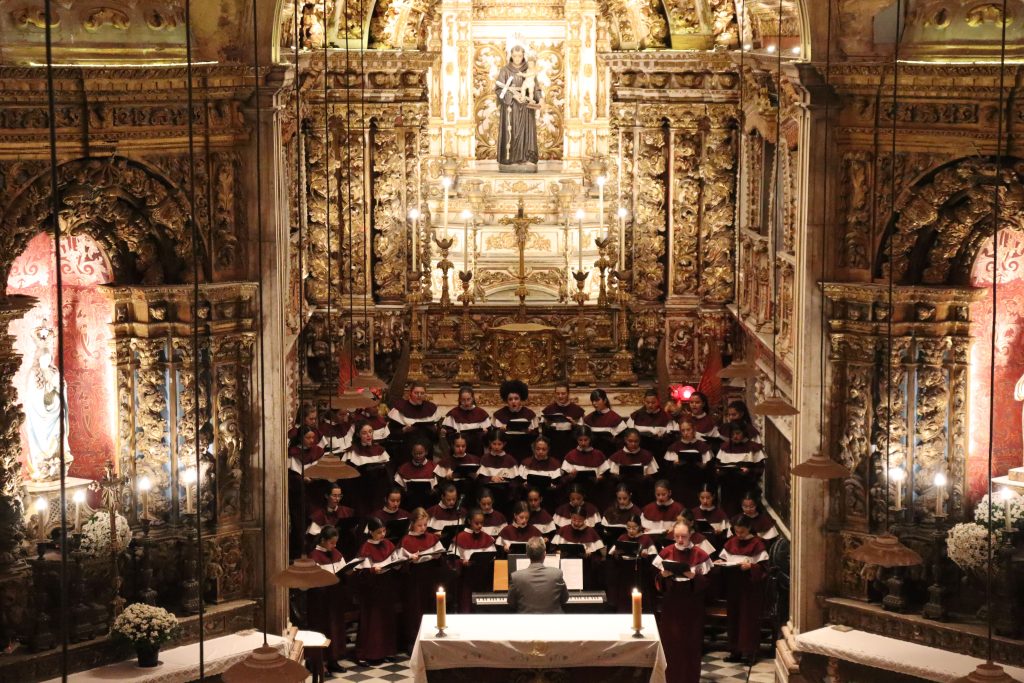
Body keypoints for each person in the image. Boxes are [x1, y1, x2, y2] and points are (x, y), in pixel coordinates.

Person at [652, 521, 713, 683]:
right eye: (676, 536)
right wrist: (663, 576)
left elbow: (708, 583)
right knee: (671, 643)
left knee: (690, 643)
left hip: (691, 604)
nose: (679, 540)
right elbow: (658, 581)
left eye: (683, 536)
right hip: (671, 603)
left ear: (690, 535)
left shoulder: (699, 554)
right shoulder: (666, 552)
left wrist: (693, 577)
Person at [718, 516, 770, 665]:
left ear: (748, 528)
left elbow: (765, 568)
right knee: (734, 617)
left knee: (749, 619)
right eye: (736, 531)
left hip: (750, 588)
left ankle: (749, 652)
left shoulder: (757, 544)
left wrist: (752, 567)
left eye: (741, 531)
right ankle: (735, 651)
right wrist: (721, 562)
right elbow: (725, 559)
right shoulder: (731, 542)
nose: (738, 535)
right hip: (734, 586)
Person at [396, 508, 445, 650]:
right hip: (414, 580)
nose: (423, 528)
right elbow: (399, 563)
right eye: (420, 525)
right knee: (414, 610)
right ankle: (413, 641)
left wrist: (437, 557)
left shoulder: (431, 537)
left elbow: (440, 554)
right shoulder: (406, 540)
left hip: (430, 578)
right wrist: (410, 560)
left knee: (430, 607)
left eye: (425, 524)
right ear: (412, 524)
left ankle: (431, 638)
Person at [355, 517, 399, 666]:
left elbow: (395, 560)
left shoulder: (388, 544)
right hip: (372, 590)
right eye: (379, 532)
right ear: (371, 532)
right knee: (372, 621)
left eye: (384, 531)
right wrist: (373, 570)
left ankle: (386, 651)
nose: (383, 535)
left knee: (386, 619)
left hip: (386, 586)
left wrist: (398, 564)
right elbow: (361, 572)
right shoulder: (365, 548)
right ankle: (368, 653)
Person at [309, 526, 349, 673]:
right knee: (323, 629)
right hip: (321, 601)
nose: (335, 546)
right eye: (332, 543)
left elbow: (343, 569)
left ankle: (334, 659)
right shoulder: (314, 556)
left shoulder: (336, 553)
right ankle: (321, 662)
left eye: (336, 542)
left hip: (335, 598)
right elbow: (314, 579)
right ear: (323, 540)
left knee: (335, 628)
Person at [495, 44, 541, 172]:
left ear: (523, 56)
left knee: (525, 132)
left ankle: (526, 158)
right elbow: (499, 89)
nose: (517, 58)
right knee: (512, 132)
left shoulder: (529, 69)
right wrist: (514, 97)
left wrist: (539, 99)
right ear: (511, 55)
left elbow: (535, 87)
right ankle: (509, 160)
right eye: (514, 56)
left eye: (520, 56)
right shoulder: (505, 70)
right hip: (510, 107)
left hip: (526, 107)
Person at [606, 514, 657, 613]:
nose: (631, 530)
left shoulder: (646, 539)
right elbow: (611, 555)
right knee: (624, 600)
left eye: (634, 528)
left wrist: (645, 556)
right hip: (624, 573)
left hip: (640, 574)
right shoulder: (622, 537)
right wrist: (617, 554)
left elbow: (653, 559)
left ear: (639, 527)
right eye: (628, 527)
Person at [288, 426, 324, 558]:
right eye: (308, 438)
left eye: (313, 437)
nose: (311, 440)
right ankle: (297, 553)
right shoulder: (293, 452)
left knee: (314, 520)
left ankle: (313, 551)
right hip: (300, 495)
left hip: (315, 492)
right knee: (300, 524)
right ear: (300, 438)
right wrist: (302, 479)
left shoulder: (318, 451)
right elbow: (291, 474)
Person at [451, 509, 497, 612]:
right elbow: (453, 558)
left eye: (481, 523)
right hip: (466, 578)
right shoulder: (460, 537)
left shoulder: (487, 538)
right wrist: (462, 562)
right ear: (469, 521)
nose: (480, 526)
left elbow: (493, 556)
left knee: (482, 608)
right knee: (466, 606)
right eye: (476, 523)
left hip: (483, 578)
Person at [508, 537, 570, 613]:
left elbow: (511, 602)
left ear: (527, 554)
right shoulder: (557, 573)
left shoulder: (516, 576)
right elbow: (565, 599)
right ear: (545, 554)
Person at [717, 422, 766, 516]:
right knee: (730, 513)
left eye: (738, 433)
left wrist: (749, 471)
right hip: (729, 489)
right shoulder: (725, 448)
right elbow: (718, 465)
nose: (735, 436)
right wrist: (719, 472)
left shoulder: (753, 447)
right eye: (733, 434)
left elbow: (760, 469)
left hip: (746, 487)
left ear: (744, 433)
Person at [343, 420, 392, 516]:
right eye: (364, 433)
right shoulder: (352, 452)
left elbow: (388, 474)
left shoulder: (380, 450)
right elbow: (347, 476)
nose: (368, 435)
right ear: (358, 434)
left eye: (370, 431)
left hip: (377, 492)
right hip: (359, 493)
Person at [664, 419, 714, 509]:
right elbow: (668, 471)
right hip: (680, 484)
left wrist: (704, 466)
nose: (686, 433)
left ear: (694, 429)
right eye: (683, 430)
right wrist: (674, 465)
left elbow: (711, 471)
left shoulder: (703, 446)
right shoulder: (674, 447)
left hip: (698, 483)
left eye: (688, 430)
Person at [608, 428, 659, 506]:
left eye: (636, 441)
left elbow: (652, 473)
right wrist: (619, 476)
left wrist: (644, 477)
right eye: (630, 441)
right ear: (625, 440)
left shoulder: (647, 455)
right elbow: (612, 474)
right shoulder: (617, 456)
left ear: (640, 440)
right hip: (623, 489)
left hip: (642, 490)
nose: (633, 444)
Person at [492, 380, 539, 461]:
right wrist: (500, 431)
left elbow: (536, 435)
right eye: (510, 399)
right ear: (506, 400)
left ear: (521, 399)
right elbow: (493, 436)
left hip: (524, 450)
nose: (513, 401)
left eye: (516, 398)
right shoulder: (499, 415)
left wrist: (529, 432)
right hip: (506, 452)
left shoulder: (529, 414)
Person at [476, 427, 519, 513]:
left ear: (504, 444)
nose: (496, 447)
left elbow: (515, 480)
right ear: (490, 443)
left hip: (505, 492)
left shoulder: (510, 460)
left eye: (499, 444)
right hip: (489, 491)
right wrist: (490, 478)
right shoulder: (484, 458)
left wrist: (505, 481)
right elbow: (479, 478)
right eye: (494, 444)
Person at [442, 385, 491, 456]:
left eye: (468, 399)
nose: (466, 402)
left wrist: (486, 433)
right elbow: (449, 435)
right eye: (463, 400)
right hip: (459, 450)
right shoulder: (453, 413)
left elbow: (489, 437)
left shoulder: (481, 413)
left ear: (473, 398)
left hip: (477, 450)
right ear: (459, 399)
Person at [627, 389, 675, 462]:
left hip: (659, 453)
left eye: (653, 402)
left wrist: (662, 437)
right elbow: (628, 435)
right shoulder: (636, 416)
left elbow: (671, 437)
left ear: (658, 401)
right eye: (647, 402)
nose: (650, 405)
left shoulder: (666, 417)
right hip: (639, 453)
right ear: (644, 401)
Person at [541, 383, 584, 459]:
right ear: (555, 394)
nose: (560, 396)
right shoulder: (548, 410)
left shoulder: (577, 410)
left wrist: (574, 425)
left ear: (568, 394)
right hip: (553, 447)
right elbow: (543, 433)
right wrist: (548, 425)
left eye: (563, 393)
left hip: (571, 446)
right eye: (558, 394)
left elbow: (582, 433)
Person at [394, 439, 438, 510]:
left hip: (429, 503)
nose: (418, 456)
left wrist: (435, 491)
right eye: (415, 453)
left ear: (426, 452)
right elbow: (397, 488)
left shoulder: (434, 467)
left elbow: (439, 488)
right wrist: (404, 492)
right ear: (411, 453)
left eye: (420, 453)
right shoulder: (403, 468)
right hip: (410, 504)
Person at [434, 433, 481, 500]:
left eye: (463, 446)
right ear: (452, 446)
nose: (461, 449)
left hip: (470, 493)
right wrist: (447, 478)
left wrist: (476, 477)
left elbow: (481, 480)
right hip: (451, 494)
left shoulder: (475, 460)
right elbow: (437, 485)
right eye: (457, 446)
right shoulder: (445, 462)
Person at [583, 389, 626, 457]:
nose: (594, 403)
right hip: (592, 456)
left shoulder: (615, 418)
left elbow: (622, 442)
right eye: (592, 401)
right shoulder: (589, 419)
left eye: (597, 400)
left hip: (610, 456)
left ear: (605, 400)